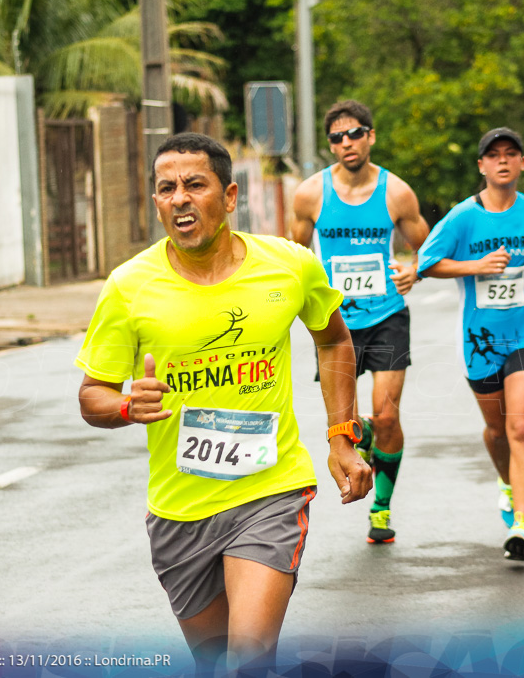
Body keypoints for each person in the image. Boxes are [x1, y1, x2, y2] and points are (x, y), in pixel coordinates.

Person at [75, 133, 372, 675]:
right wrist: (124, 407)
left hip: (270, 492)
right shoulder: (129, 286)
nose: (180, 198)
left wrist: (340, 437)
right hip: (179, 511)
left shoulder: (289, 266)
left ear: (229, 196)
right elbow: (91, 394)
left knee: (250, 658)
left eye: (195, 184)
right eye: (166, 189)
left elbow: (333, 340)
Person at [417, 127, 524, 561]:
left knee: (521, 427)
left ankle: (521, 525)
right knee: (496, 429)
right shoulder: (463, 216)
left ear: (522, 163)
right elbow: (427, 264)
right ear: (481, 165)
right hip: (479, 339)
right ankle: (507, 483)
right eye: (493, 155)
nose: (503, 160)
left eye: (511, 153)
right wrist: (475, 265)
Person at [292, 100, 430, 545]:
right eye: (337, 137)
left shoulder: (396, 193)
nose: (347, 143)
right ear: (330, 144)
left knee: (387, 416)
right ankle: (362, 431)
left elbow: (426, 243)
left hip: (387, 315)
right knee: (348, 427)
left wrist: (415, 267)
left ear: (371, 136)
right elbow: (291, 257)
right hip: (334, 325)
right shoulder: (310, 194)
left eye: (356, 133)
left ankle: (382, 508)